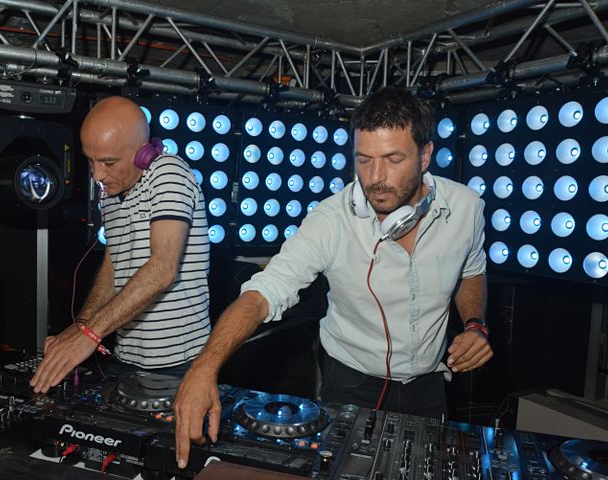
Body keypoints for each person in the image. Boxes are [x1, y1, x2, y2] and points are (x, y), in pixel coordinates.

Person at [172, 87, 493, 469]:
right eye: (363, 160)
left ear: (425, 155)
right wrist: (205, 367)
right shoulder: (331, 220)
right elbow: (261, 294)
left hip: (429, 385)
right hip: (350, 384)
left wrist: (476, 324)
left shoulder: (467, 208)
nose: (375, 178)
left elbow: (472, 273)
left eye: (392, 159)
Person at [30, 96, 211, 393]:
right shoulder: (110, 192)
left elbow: (163, 267)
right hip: (126, 358)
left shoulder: (168, 173)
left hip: (180, 362)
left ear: (143, 155)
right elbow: (114, 265)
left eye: (108, 162)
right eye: (91, 160)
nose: (97, 175)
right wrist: (82, 324)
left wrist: (88, 334)